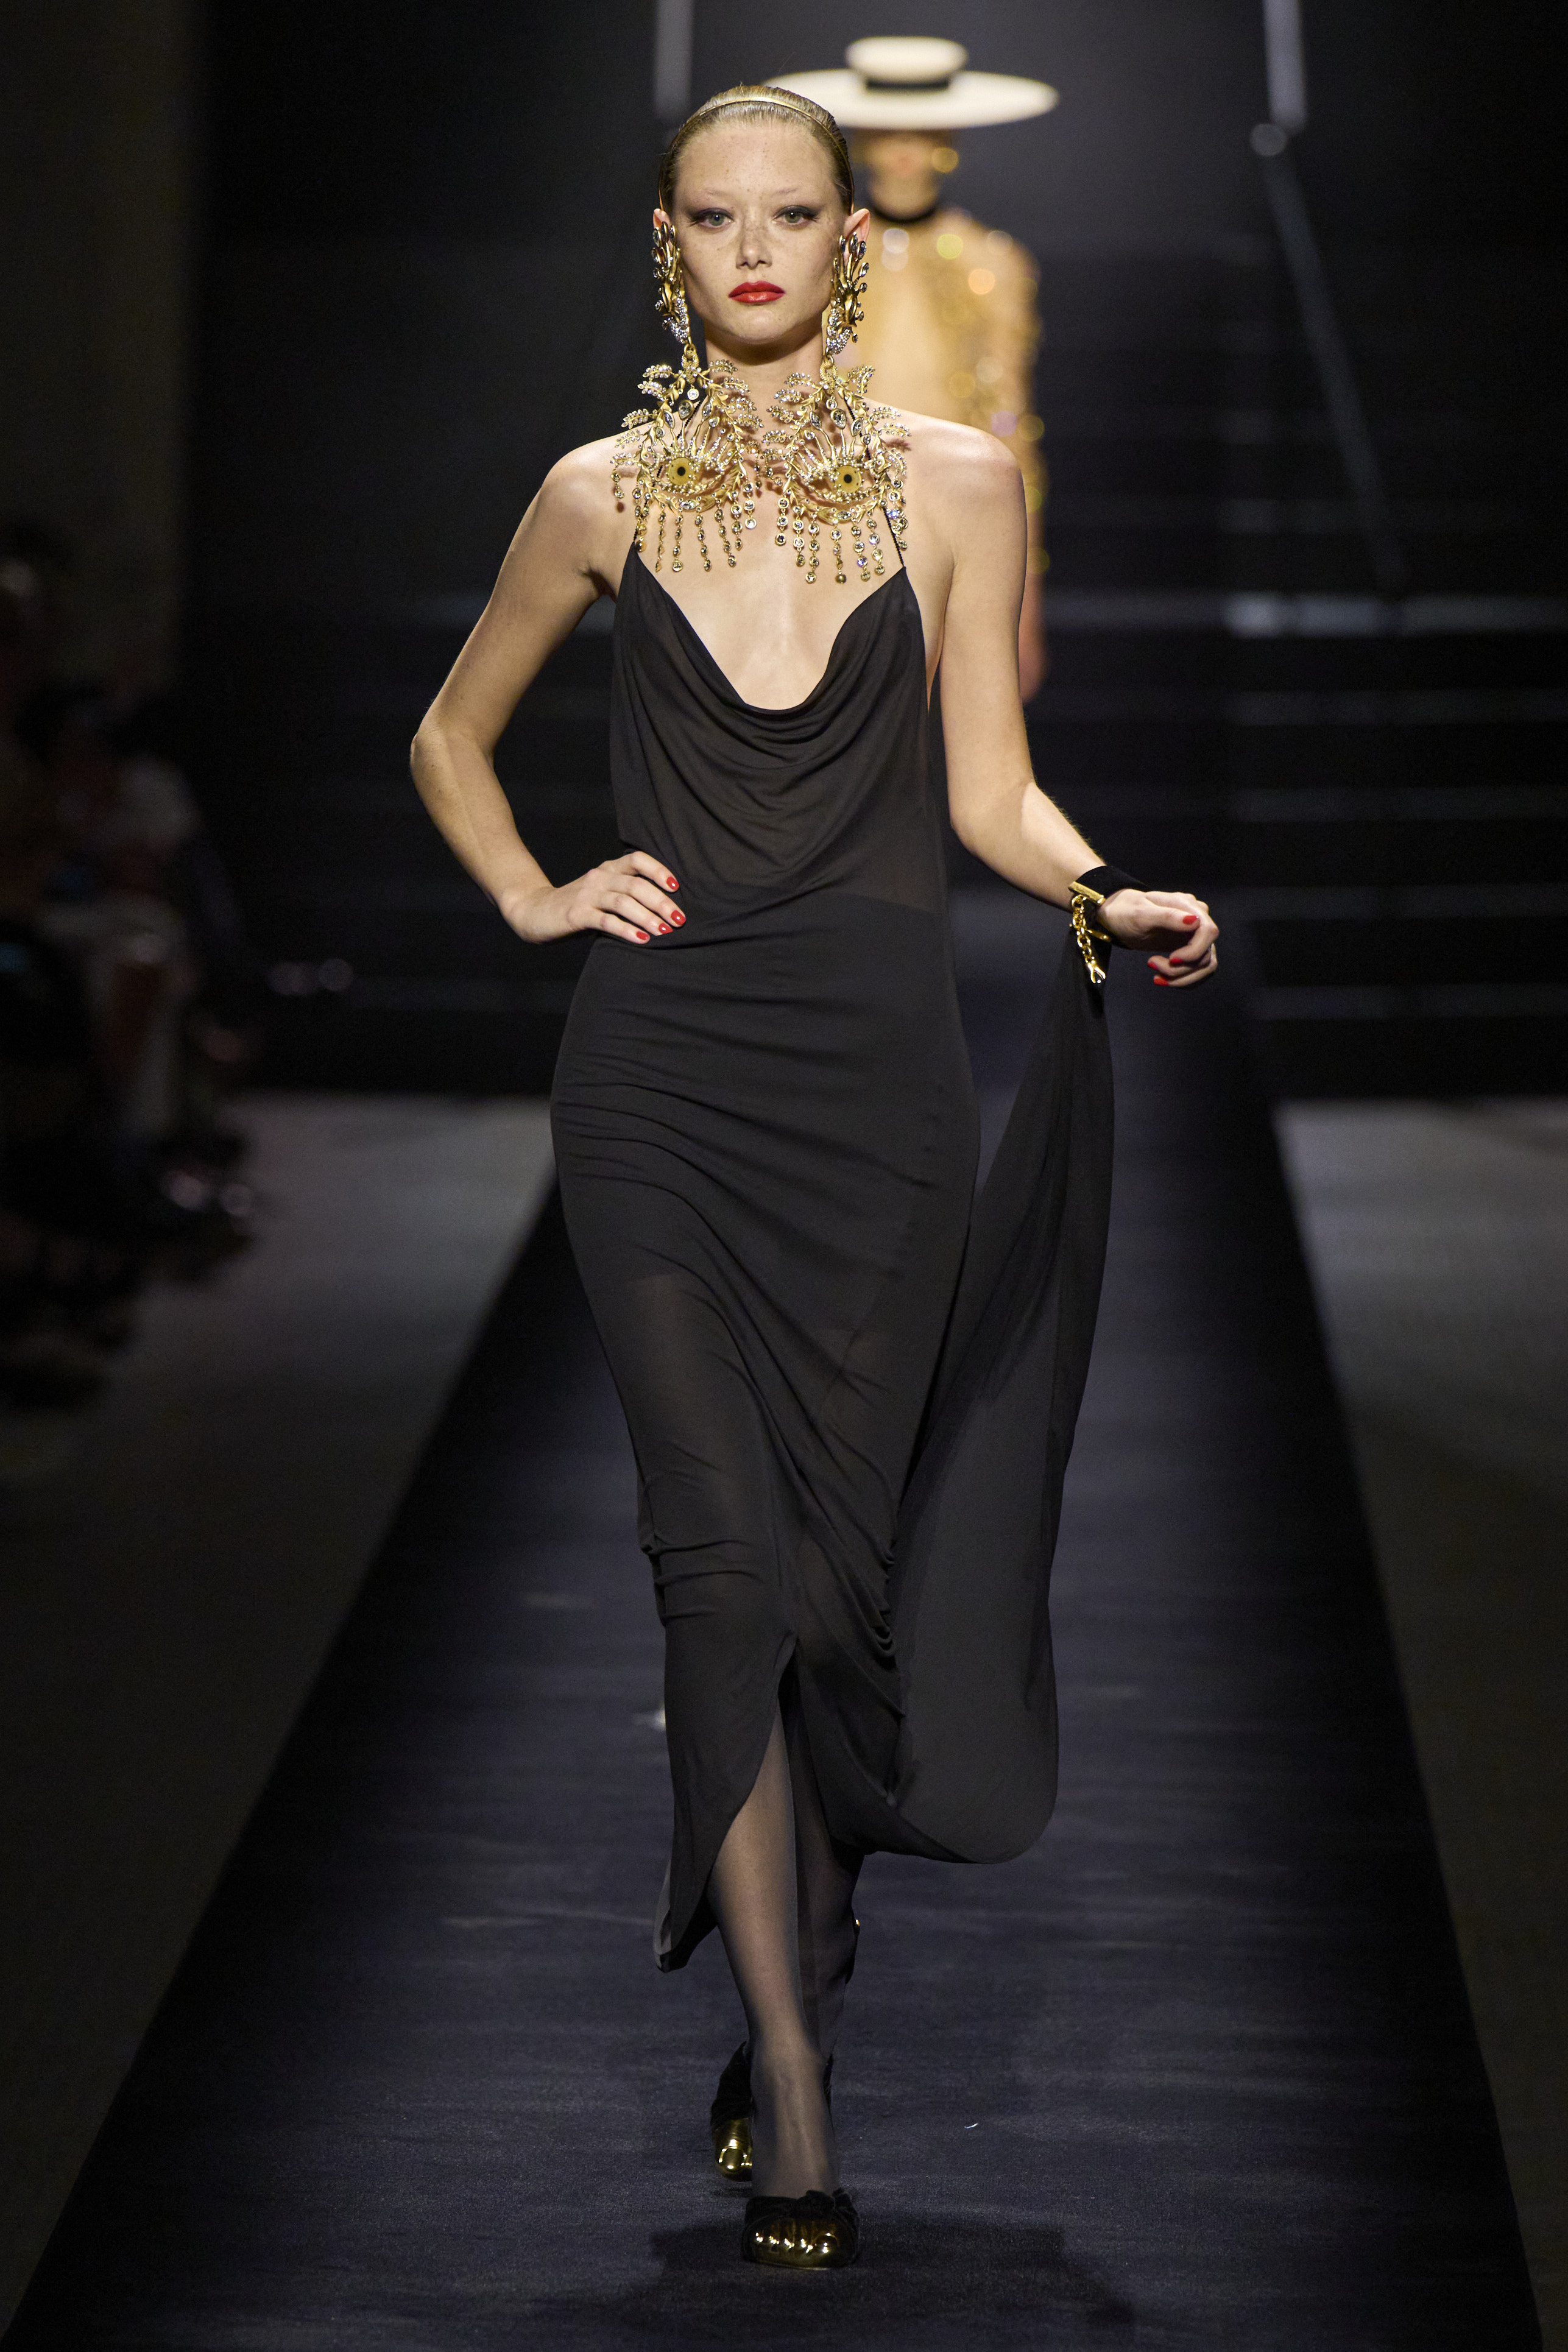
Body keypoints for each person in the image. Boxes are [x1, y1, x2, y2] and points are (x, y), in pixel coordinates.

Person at [411, 83, 1217, 2270]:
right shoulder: (597, 492)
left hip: (872, 1104)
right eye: (714, 216)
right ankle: (793, 2073)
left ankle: (807, 1944)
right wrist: (535, 893)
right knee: (722, 1568)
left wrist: (1105, 888)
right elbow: (450, 732)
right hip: (657, 1088)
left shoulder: (959, 482)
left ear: (849, 242)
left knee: (836, 1592)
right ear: (668, 243)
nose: (753, 248)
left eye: (790, 215)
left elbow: (989, 787)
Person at [775, 38, 1056, 696]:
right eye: (887, 129)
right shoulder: (817, 258)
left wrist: (1026, 589)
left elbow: (1011, 424)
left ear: (949, 138)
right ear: (863, 139)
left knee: (954, 720)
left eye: (923, 130)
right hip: (830, 524)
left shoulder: (993, 262)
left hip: (958, 525)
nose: (904, 146)